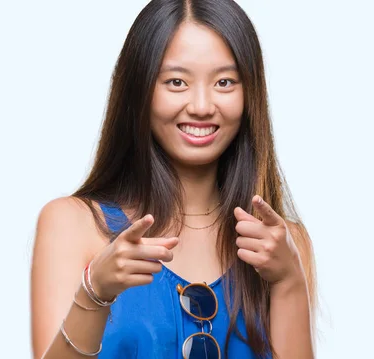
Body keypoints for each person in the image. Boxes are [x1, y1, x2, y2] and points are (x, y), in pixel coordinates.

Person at [30, 0, 316, 358]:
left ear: (250, 94)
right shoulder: (73, 224)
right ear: (140, 89)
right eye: (176, 82)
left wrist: (289, 282)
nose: (201, 105)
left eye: (224, 82)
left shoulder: (283, 245)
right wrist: (94, 291)